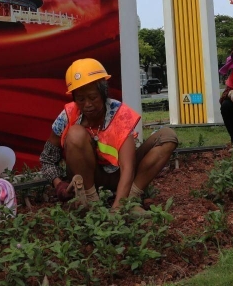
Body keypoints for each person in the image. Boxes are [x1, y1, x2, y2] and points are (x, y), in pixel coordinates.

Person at [39, 59, 178, 215]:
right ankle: (92, 202)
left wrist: (117, 209)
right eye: (81, 99)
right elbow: (47, 159)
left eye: (93, 97)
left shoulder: (119, 114)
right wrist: (59, 184)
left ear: (103, 94)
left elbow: (127, 167)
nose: (87, 104)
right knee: (75, 133)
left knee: (168, 136)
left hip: (119, 175)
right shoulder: (67, 116)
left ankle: (130, 200)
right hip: (89, 178)